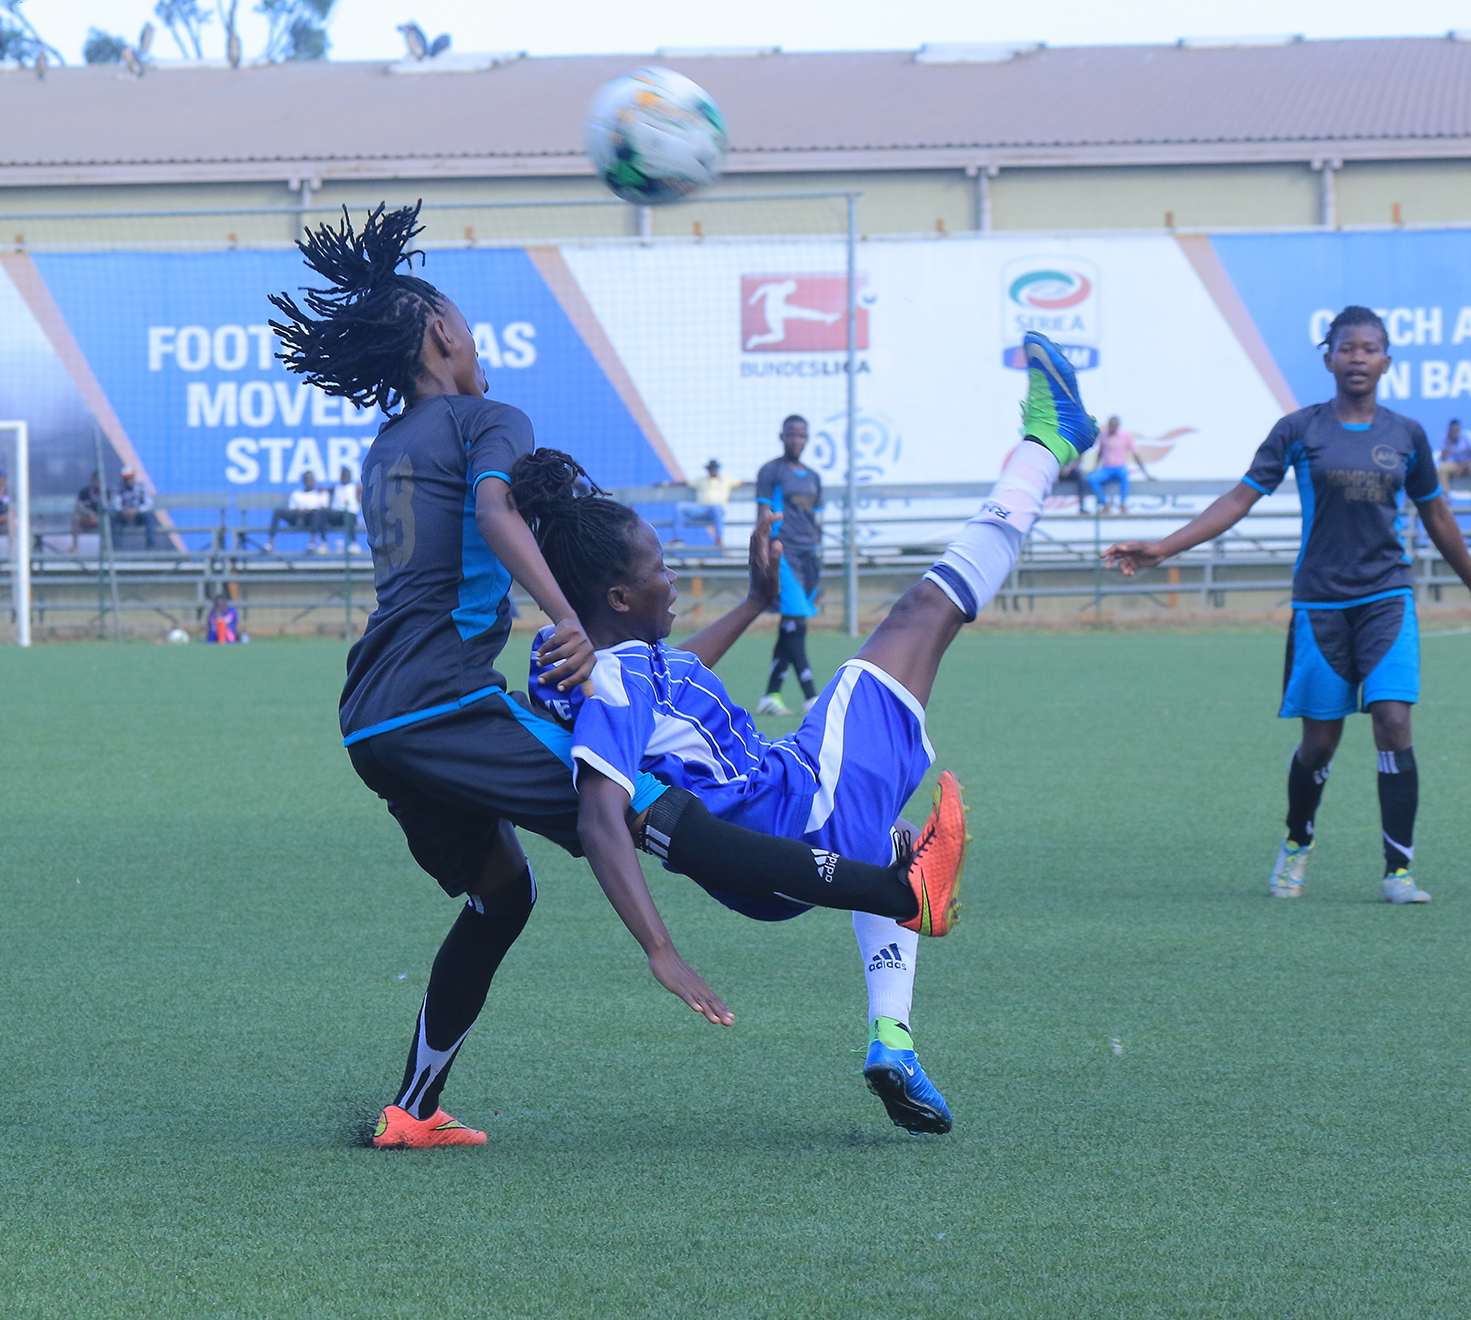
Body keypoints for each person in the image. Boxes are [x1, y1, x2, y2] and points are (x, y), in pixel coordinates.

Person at [267, 203, 963, 1149]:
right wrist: (565, 619)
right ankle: (898, 892)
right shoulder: (486, 419)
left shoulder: (385, 448)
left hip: (372, 720)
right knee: (644, 814)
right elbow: (501, 513)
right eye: (466, 329)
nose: (477, 346)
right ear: (439, 332)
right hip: (443, 703)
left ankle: (411, 1112)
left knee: (502, 894)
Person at [512, 332, 1088, 1135]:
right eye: (658, 570)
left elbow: (671, 682)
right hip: (797, 804)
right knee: (924, 610)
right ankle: (1051, 442)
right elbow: (598, 817)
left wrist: (751, 602)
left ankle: (894, 1043)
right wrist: (659, 950)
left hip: (774, 835)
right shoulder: (609, 678)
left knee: (892, 848)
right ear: (616, 595)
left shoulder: (604, 662)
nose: (672, 576)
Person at [1106, 305, 1471, 904]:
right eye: (1346, 347)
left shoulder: (1407, 436)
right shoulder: (1299, 431)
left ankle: (1398, 870)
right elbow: (1238, 499)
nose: (1357, 357)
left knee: (1394, 722)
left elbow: (1436, 516)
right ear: (1328, 358)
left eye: (1369, 348)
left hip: (1388, 599)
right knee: (1320, 744)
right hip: (1319, 606)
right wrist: (1163, 547)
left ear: (1387, 361)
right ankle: (1297, 842)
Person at [755, 416, 823, 716]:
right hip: (783, 553)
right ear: (782, 436)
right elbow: (763, 515)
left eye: (802, 435)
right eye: (791, 434)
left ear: (807, 438)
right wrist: (765, 552)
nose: (796, 440)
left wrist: (819, 557)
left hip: (809, 557)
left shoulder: (813, 477)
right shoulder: (771, 471)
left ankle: (771, 696)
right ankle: (812, 697)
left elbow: (815, 520)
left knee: (793, 626)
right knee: (795, 622)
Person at [1084, 414, 1152, 514]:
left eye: (1114, 425)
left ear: (1118, 425)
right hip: (1106, 469)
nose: (1112, 427)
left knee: (1125, 477)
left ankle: (1123, 504)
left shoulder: (1126, 436)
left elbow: (1135, 454)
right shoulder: (1103, 436)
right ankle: (1104, 503)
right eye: (1111, 424)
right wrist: (1094, 467)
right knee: (1092, 478)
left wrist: (1145, 473)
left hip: (1120, 468)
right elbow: (1100, 453)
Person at [267, 470, 330, 552]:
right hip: (297, 517)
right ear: (303, 481)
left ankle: (312, 543)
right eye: (306, 479)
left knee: (316, 513)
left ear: (314, 481)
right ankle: (270, 543)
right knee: (278, 512)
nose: (308, 482)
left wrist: (309, 511)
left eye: (310, 479)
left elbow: (324, 508)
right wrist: (300, 511)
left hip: (312, 519)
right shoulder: (296, 494)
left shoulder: (321, 494)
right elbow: (292, 508)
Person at [675, 458, 731, 546]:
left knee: (717, 507)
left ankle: (719, 538)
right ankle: (677, 539)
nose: (712, 471)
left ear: (717, 469)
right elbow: (685, 483)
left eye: (714, 469)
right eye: (710, 469)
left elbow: (743, 483)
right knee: (680, 506)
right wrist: (665, 484)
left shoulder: (726, 480)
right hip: (701, 509)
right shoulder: (701, 480)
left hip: (715, 511)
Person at [112, 470, 153, 549]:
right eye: (126, 479)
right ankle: (115, 548)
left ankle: (150, 547)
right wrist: (125, 510)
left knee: (150, 517)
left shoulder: (142, 487)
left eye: (130, 478)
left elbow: (148, 503)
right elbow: (116, 504)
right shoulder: (118, 488)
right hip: (124, 515)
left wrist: (137, 510)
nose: (128, 481)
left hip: (139, 515)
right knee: (113, 519)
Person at [327, 464, 363, 552]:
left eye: (346, 475)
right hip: (337, 515)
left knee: (349, 517)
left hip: (351, 515)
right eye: (343, 475)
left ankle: (354, 542)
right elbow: (325, 491)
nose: (345, 477)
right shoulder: (335, 487)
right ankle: (323, 543)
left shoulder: (356, 487)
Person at [71, 470, 105, 553]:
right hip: (87, 519)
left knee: (106, 522)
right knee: (75, 520)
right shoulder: (84, 492)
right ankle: (75, 548)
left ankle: (104, 548)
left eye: (99, 481)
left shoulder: (105, 493)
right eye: (96, 480)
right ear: (92, 480)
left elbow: (108, 508)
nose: (97, 483)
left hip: (99, 520)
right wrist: (89, 513)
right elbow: (77, 507)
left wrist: (97, 516)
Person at [1435, 419, 1470, 490]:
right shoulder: (1445, 438)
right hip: (1455, 464)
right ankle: (1445, 494)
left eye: (1457, 430)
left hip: (1467, 463)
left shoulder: (1467, 437)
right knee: (1442, 468)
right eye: (1453, 431)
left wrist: (1463, 465)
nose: (1455, 433)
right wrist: (1450, 445)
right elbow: (1443, 459)